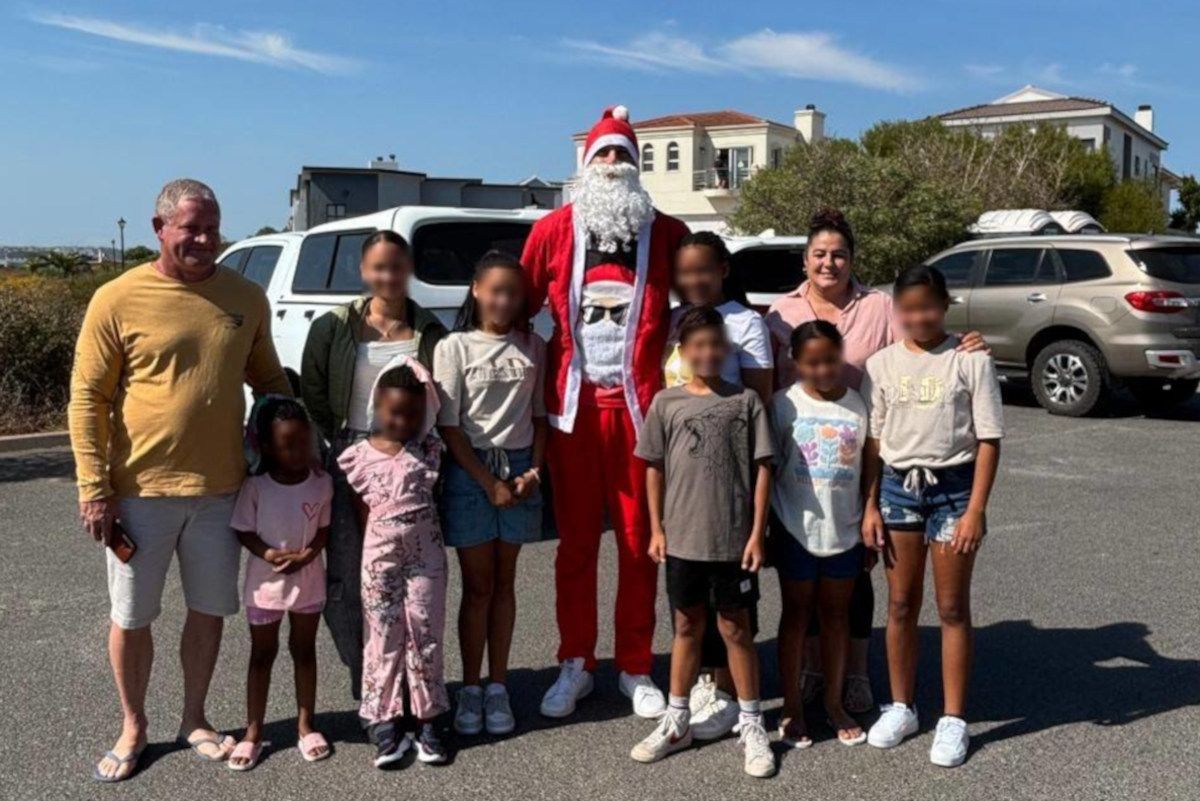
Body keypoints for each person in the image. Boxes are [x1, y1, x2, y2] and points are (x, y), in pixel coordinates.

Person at [70, 178, 292, 782]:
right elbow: (87, 398)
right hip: (139, 492)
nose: (203, 239)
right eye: (190, 227)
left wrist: (295, 450)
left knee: (208, 610)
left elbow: (269, 378)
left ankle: (195, 717)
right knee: (133, 615)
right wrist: (94, 486)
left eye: (212, 228)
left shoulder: (245, 296)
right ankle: (134, 724)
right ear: (159, 229)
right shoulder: (117, 298)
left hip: (222, 491)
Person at [764, 208, 987, 714]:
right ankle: (815, 671)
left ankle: (858, 673)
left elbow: (915, 346)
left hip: (869, 453)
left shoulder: (879, 306)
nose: (829, 262)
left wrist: (965, 344)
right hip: (801, 464)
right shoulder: (780, 312)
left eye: (839, 254)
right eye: (819, 254)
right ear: (805, 260)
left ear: (852, 259)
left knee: (857, 569)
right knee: (804, 574)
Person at [521, 105, 690, 720]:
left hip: (640, 413)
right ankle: (575, 660)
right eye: (605, 155)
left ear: (637, 165)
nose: (614, 164)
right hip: (572, 412)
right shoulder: (552, 232)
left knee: (639, 540)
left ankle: (637, 664)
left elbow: (705, 299)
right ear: (587, 166)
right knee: (575, 546)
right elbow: (515, 304)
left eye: (623, 154)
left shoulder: (664, 231)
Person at [860, 264, 1003, 768]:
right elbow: (874, 442)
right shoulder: (880, 365)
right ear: (896, 311)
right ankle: (902, 706)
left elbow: (989, 439)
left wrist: (975, 511)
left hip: (954, 491)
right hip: (898, 488)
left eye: (927, 307)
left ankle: (953, 717)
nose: (917, 317)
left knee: (951, 608)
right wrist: (870, 504)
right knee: (900, 604)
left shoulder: (970, 362)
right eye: (907, 309)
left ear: (945, 306)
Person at [300, 230, 448, 697]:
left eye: (397, 266)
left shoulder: (429, 331)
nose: (388, 276)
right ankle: (365, 679)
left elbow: (438, 397)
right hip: (353, 459)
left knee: (410, 576)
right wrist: (346, 443)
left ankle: (412, 684)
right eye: (379, 267)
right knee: (350, 571)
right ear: (364, 271)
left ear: (409, 270)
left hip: (410, 461)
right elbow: (315, 393)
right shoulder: (334, 327)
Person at [631, 306, 775, 778]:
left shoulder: (746, 401)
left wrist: (757, 533)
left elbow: (762, 470)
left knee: (736, 629)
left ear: (727, 349)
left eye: (716, 345)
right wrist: (656, 528)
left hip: (733, 540)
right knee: (686, 627)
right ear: (684, 351)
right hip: (683, 539)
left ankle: (752, 722)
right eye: (698, 346)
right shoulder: (666, 403)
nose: (708, 353)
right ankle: (677, 719)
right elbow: (653, 467)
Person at [663, 231, 772, 740]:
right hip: (683, 478)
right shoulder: (670, 321)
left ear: (724, 269)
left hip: (729, 477)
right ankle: (702, 684)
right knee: (689, 602)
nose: (693, 280)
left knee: (731, 606)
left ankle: (729, 689)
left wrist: (756, 512)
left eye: (703, 269)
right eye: (684, 272)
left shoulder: (746, 322)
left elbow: (759, 402)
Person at [434, 251, 547, 737]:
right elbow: (450, 426)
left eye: (513, 293)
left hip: (521, 469)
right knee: (477, 586)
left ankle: (499, 685)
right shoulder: (453, 346)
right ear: (476, 289)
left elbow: (541, 417)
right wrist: (489, 482)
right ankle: (471, 685)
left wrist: (535, 471)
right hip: (472, 472)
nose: (503, 300)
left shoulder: (533, 346)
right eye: (495, 290)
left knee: (506, 584)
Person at [337, 357, 450, 768]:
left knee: (425, 629)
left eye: (413, 414)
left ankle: (429, 717)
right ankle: (384, 720)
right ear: (378, 407)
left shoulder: (430, 450)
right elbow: (362, 511)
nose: (403, 422)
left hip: (427, 557)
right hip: (379, 558)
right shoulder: (357, 457)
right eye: (395, 413)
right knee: (382, 633)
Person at [770, 321, 869, 749]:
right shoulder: (782, 405)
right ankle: (792, 705)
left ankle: (832, 702)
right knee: (796, 616)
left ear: (841, 355)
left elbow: (871, 466)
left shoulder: (858, 405)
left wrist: (871, 515)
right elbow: (767, 469)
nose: (823, 369)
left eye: (831, 359)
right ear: (796, 362)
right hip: (794, 527)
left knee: (836, 618)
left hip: (845, 529)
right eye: (812, 362)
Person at [228, 398, 333, 771]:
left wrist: (309, 554)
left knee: (304, 651)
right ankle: (253, 732)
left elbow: (323, 528)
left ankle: (306, 726)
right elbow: (242, 529)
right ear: (268, 447)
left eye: (304, 442)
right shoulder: (256, 486)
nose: (298, 451)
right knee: (261, 655)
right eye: (288, 445)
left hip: (308, 581)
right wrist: (269, 554)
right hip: (265, 586)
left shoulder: (322, 483)